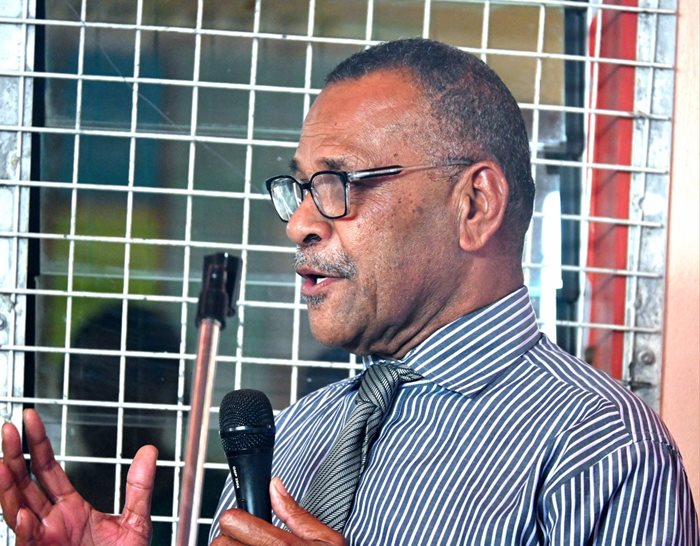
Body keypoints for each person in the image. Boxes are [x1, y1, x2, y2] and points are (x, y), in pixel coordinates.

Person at [0, 38, 698, 546]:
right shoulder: (295, 433)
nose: (300, 223)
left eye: (338, 182)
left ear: (475, 203)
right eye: (301, 187)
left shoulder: (600, 450)